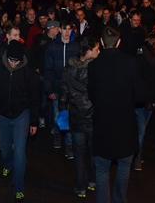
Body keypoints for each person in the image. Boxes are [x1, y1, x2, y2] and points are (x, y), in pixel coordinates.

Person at [88, 27, 146, 203]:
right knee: (123, 168)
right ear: (119, 42)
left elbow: (92, 95)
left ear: (102, 42)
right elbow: (140, 95)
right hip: (125, 125)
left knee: (102, 170)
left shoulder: (94, 66)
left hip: (102, 125)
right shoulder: (131, 62)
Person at [0, 40, 39, 202]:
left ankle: (19, 186)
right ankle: (7, 164)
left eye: (17, 61)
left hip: (22, 115)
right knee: (6, 149)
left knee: (20, 151)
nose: (14, 64)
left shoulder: (29, 72)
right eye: (11, 60)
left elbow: (35, 97)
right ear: (6, 56)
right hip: (2, 115)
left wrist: (34, 121)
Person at [61, 36, 100, 199]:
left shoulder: (68, 68)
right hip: (92, 116)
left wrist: (64, 109)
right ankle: (92, 181)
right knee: (93, 152)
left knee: (79, 153)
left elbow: (64, 92)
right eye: (97, 49)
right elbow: (99, 94)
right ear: (89, 51)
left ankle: (80, 187)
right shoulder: (95, 69)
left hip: (76, 116)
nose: (99, 51)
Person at [44, 22, 79, 158]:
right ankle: (57, 135)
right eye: (65, 28)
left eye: (69, 29)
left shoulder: (76, 47)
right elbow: (48, 70)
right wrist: (49, 89)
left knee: (70, 117)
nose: (67, 32)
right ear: (60, 30)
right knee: (57, 115)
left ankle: (69, 146)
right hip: (57, 88)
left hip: (71, 90)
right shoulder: (52, 47)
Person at [133, 33, 155, 171]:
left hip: (140, 99)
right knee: (141, 130)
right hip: (147, 99)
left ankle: (137, 155)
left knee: (141, 129)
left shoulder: (141, 55)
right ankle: (137, 158)